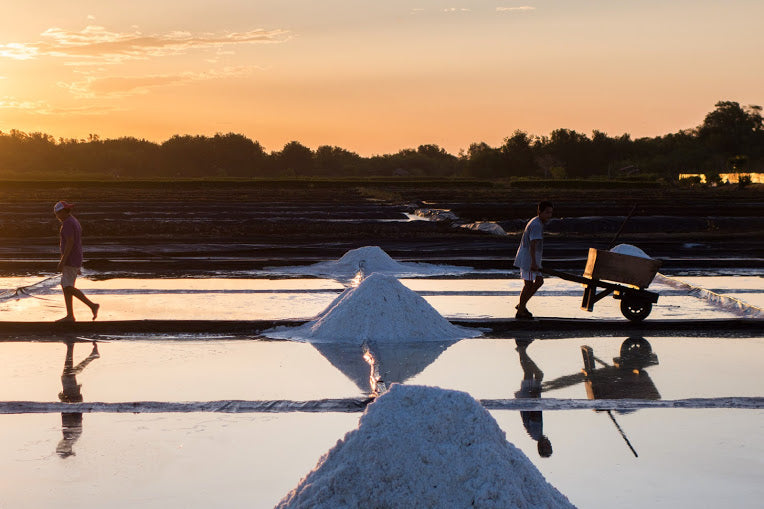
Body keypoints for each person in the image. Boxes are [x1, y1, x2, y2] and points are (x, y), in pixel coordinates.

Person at [54, 201, 99, 322]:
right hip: (75, 257)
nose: (57, 216)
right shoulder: (73, 221)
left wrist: (62, 261)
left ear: (63, 212)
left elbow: (70, 243)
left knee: (67, 287)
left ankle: (92, 305)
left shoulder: (68, 223)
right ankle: (70, 315)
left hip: (71, 258)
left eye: (58, 213)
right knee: (66, 286)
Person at [57, 340, 100, 458]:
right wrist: (65, 400)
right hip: (73, 399)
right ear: (66, 448)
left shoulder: (69, 437)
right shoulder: (71, 436)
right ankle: (71, 346)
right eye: (60, 448)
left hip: (72, 399)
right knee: (67, 375)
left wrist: (63, 401)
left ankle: (87, 353)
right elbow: (73, 414)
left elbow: (67, 415)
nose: (58, 445)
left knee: (68, 374)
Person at [513, 200, 553, 320]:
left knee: (539, 281)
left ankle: (522, 305)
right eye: (547, 212)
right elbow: (532, 245)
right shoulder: (535, 225)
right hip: (529, 259)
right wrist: (534, 263)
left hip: (533, 258)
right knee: (529, 284)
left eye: (550, 213)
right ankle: (520, 310)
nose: (549, 215)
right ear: (539, 212)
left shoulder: (538, 222)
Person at [514, 338, 552, 458]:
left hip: (528, 397)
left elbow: (534, 413)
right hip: (527, 399)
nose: (549, 443)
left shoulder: (537, 433)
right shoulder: (536, 435)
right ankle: (522, 351)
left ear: (540, 447)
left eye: (546, 447)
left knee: (535, 374)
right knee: (530, 373)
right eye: (549, 446)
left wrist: (534, 394)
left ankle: (521, 350)